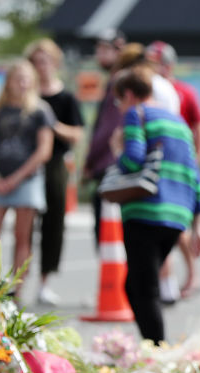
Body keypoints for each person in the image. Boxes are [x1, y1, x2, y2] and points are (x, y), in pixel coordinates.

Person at [111, 65, 200, 344]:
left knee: (143, 288)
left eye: (119, 100)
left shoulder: (136, 114)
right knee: (138, 284)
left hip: (145, 210)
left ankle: (157, 350)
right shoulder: (178, 122)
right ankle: (153, 346)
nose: (120, 107)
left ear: (129, 94)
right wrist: (198, 226)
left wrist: (116, 150)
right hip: (177, 216)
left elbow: (133, 159)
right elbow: (194, 174)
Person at [146, 40, 200, 301]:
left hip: (179, 164)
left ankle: (191, 274)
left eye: (156, 63)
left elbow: (199, 127)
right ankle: (167, 281)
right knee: (166, 225)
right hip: (158, 166)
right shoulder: (146, 91)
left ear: (168, 65)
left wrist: (196, 160)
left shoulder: (183, 92)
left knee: (178, 224)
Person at [0, 60, 53, 290]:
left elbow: (44, 150)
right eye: (17, 79)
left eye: (26, 79)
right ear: (9, 82)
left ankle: (16, 290)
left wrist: (16, 178)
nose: (22, 83)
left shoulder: (40, 111)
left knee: (22, 236)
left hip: (26, 180)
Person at [26, 38, 85, 306]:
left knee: (53, 224)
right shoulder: (26, 95)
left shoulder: (65, 97)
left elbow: (77, 134)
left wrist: (53, 124)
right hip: (26, 164)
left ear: (55, 63)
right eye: (36, 61)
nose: (41, 66)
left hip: (55, 164)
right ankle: (16, 284)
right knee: (23, 226)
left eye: (46, 60)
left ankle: (44, 282)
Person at [85, 29, 126, 247]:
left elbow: (108, 129)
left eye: (105, 49)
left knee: (109, 233)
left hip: (112, 166)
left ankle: (115, 282)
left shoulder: (120, 82)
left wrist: (90, 160)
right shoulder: (115, 81)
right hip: (114, 165)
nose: (99, 54)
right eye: (98, 49)